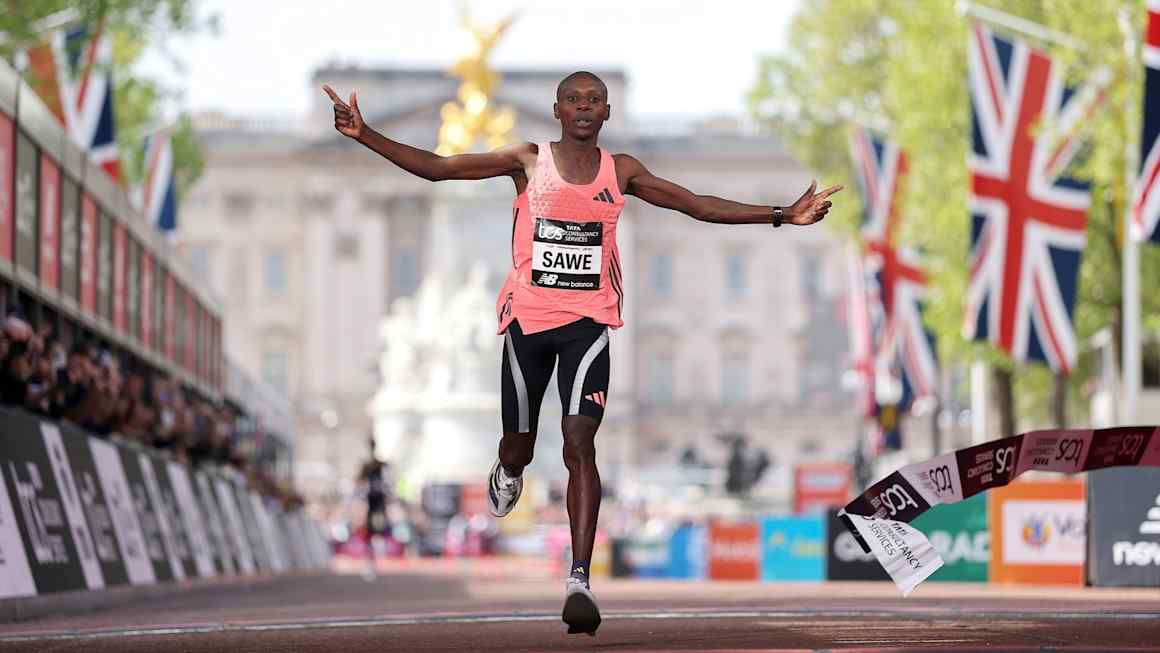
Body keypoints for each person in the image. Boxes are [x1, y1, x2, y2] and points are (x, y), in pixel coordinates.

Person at [323, 72, 840, 635]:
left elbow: (696, 206)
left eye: (594, 100)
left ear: (607, 112)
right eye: (574, 100)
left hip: (588, 328)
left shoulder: (623, 172)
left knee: (579, 443)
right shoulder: (526, 161)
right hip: (527, 326)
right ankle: (509, 467)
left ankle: (579, 576)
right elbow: (441, 168)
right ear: (557, 111)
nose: (584, 108)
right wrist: (365, 134)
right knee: (519, 447)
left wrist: (781, 215)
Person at [357, 438, 390, 580]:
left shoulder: (380, 464)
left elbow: (388, 481)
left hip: (378, 505)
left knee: (378, 532)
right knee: (370, 534)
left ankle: (373, 562)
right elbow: (359, 482)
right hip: (370, 504)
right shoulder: (367, 466)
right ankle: (370, 563)